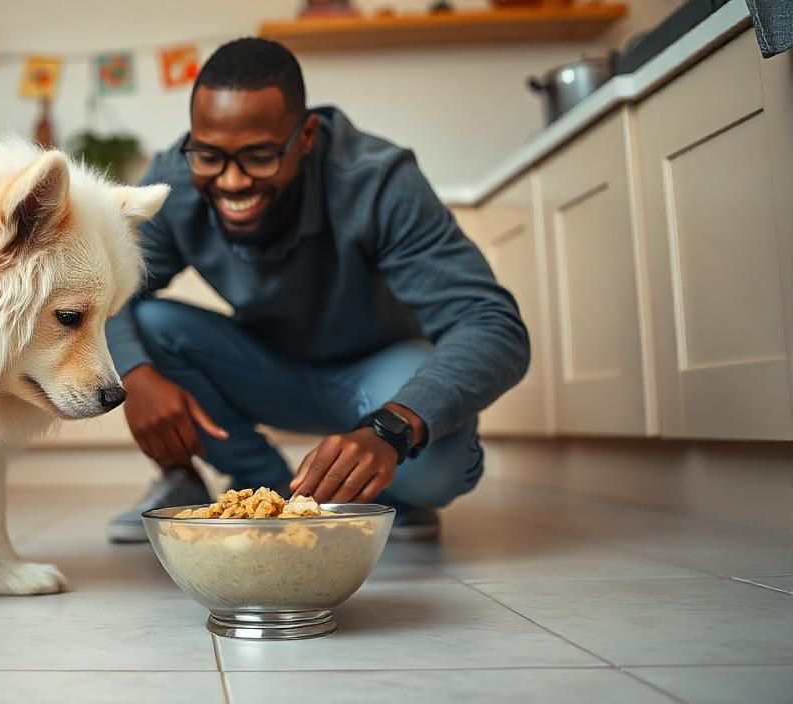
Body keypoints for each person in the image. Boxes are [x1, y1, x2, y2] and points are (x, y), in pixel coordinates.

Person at [105, 38, 530, 543]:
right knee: (146, 327)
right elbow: (110, 286)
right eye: (210, 156)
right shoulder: (174, 181)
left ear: (305, 135)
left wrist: (390, 431)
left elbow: (492, 323)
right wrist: (134, 372)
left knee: (434, 471)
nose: (232, 181)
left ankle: (382, 493)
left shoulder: (377, 181)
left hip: (382, 376)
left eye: (259, 157)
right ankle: (265, 488)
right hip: (268, 368)